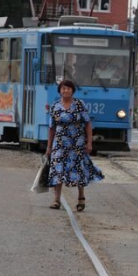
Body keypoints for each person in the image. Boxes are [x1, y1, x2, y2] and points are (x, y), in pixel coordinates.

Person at [45, 79, 104, 212]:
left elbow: (88, 124)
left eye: (68, 88)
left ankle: (81, 198)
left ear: (72, 91)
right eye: (63, 88)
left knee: (78, 169)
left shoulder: (79, 104)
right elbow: (51, 128)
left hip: (77, 143)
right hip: (59, 143)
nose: (66, 91)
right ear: (60, 90)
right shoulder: (55, 106)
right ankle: (56, 200)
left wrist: (89, 142)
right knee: (57, 169)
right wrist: (49, 147)